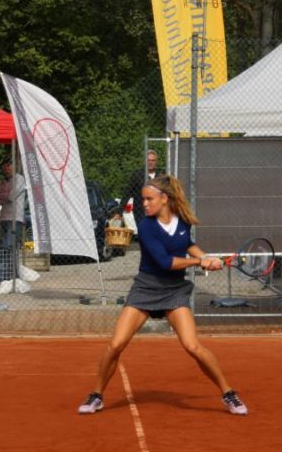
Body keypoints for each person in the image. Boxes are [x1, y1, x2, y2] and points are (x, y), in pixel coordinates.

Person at [78, 175, 248, 416]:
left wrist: (205, 257)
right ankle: (96, 395)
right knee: (115, 345)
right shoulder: (146, 226)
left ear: (164, 199)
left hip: (174, 290)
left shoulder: (183, 221)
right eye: (144, 199)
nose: (144, 204)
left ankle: (229, 393)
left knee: (192, 346)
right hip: (146, 288)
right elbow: (165, 262)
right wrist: (199, 262)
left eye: (149, 199)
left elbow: (187, 243)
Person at [119, 150, 164, 229]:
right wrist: (119, 211)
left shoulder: (161, 175)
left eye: (153, 160)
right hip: (140, 210)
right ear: (144, 161)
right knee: (144, 232)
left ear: (156, 162)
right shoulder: (137, 174)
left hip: (157, 210)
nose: (150, 162)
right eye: (148, 160)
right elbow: (127, 193)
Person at [0, 160, 27, 249]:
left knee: (10, 246)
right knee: (4, 245)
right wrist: (6, 195)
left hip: (15, 218)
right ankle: (6, 257)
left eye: (8, 165)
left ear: (14, 166)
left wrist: (3, 195)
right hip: (3, 217)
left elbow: (12, 196)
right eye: (4, 165)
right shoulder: (3, 182)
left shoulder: (19, 179)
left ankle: (10, 258)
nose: (5, 167)